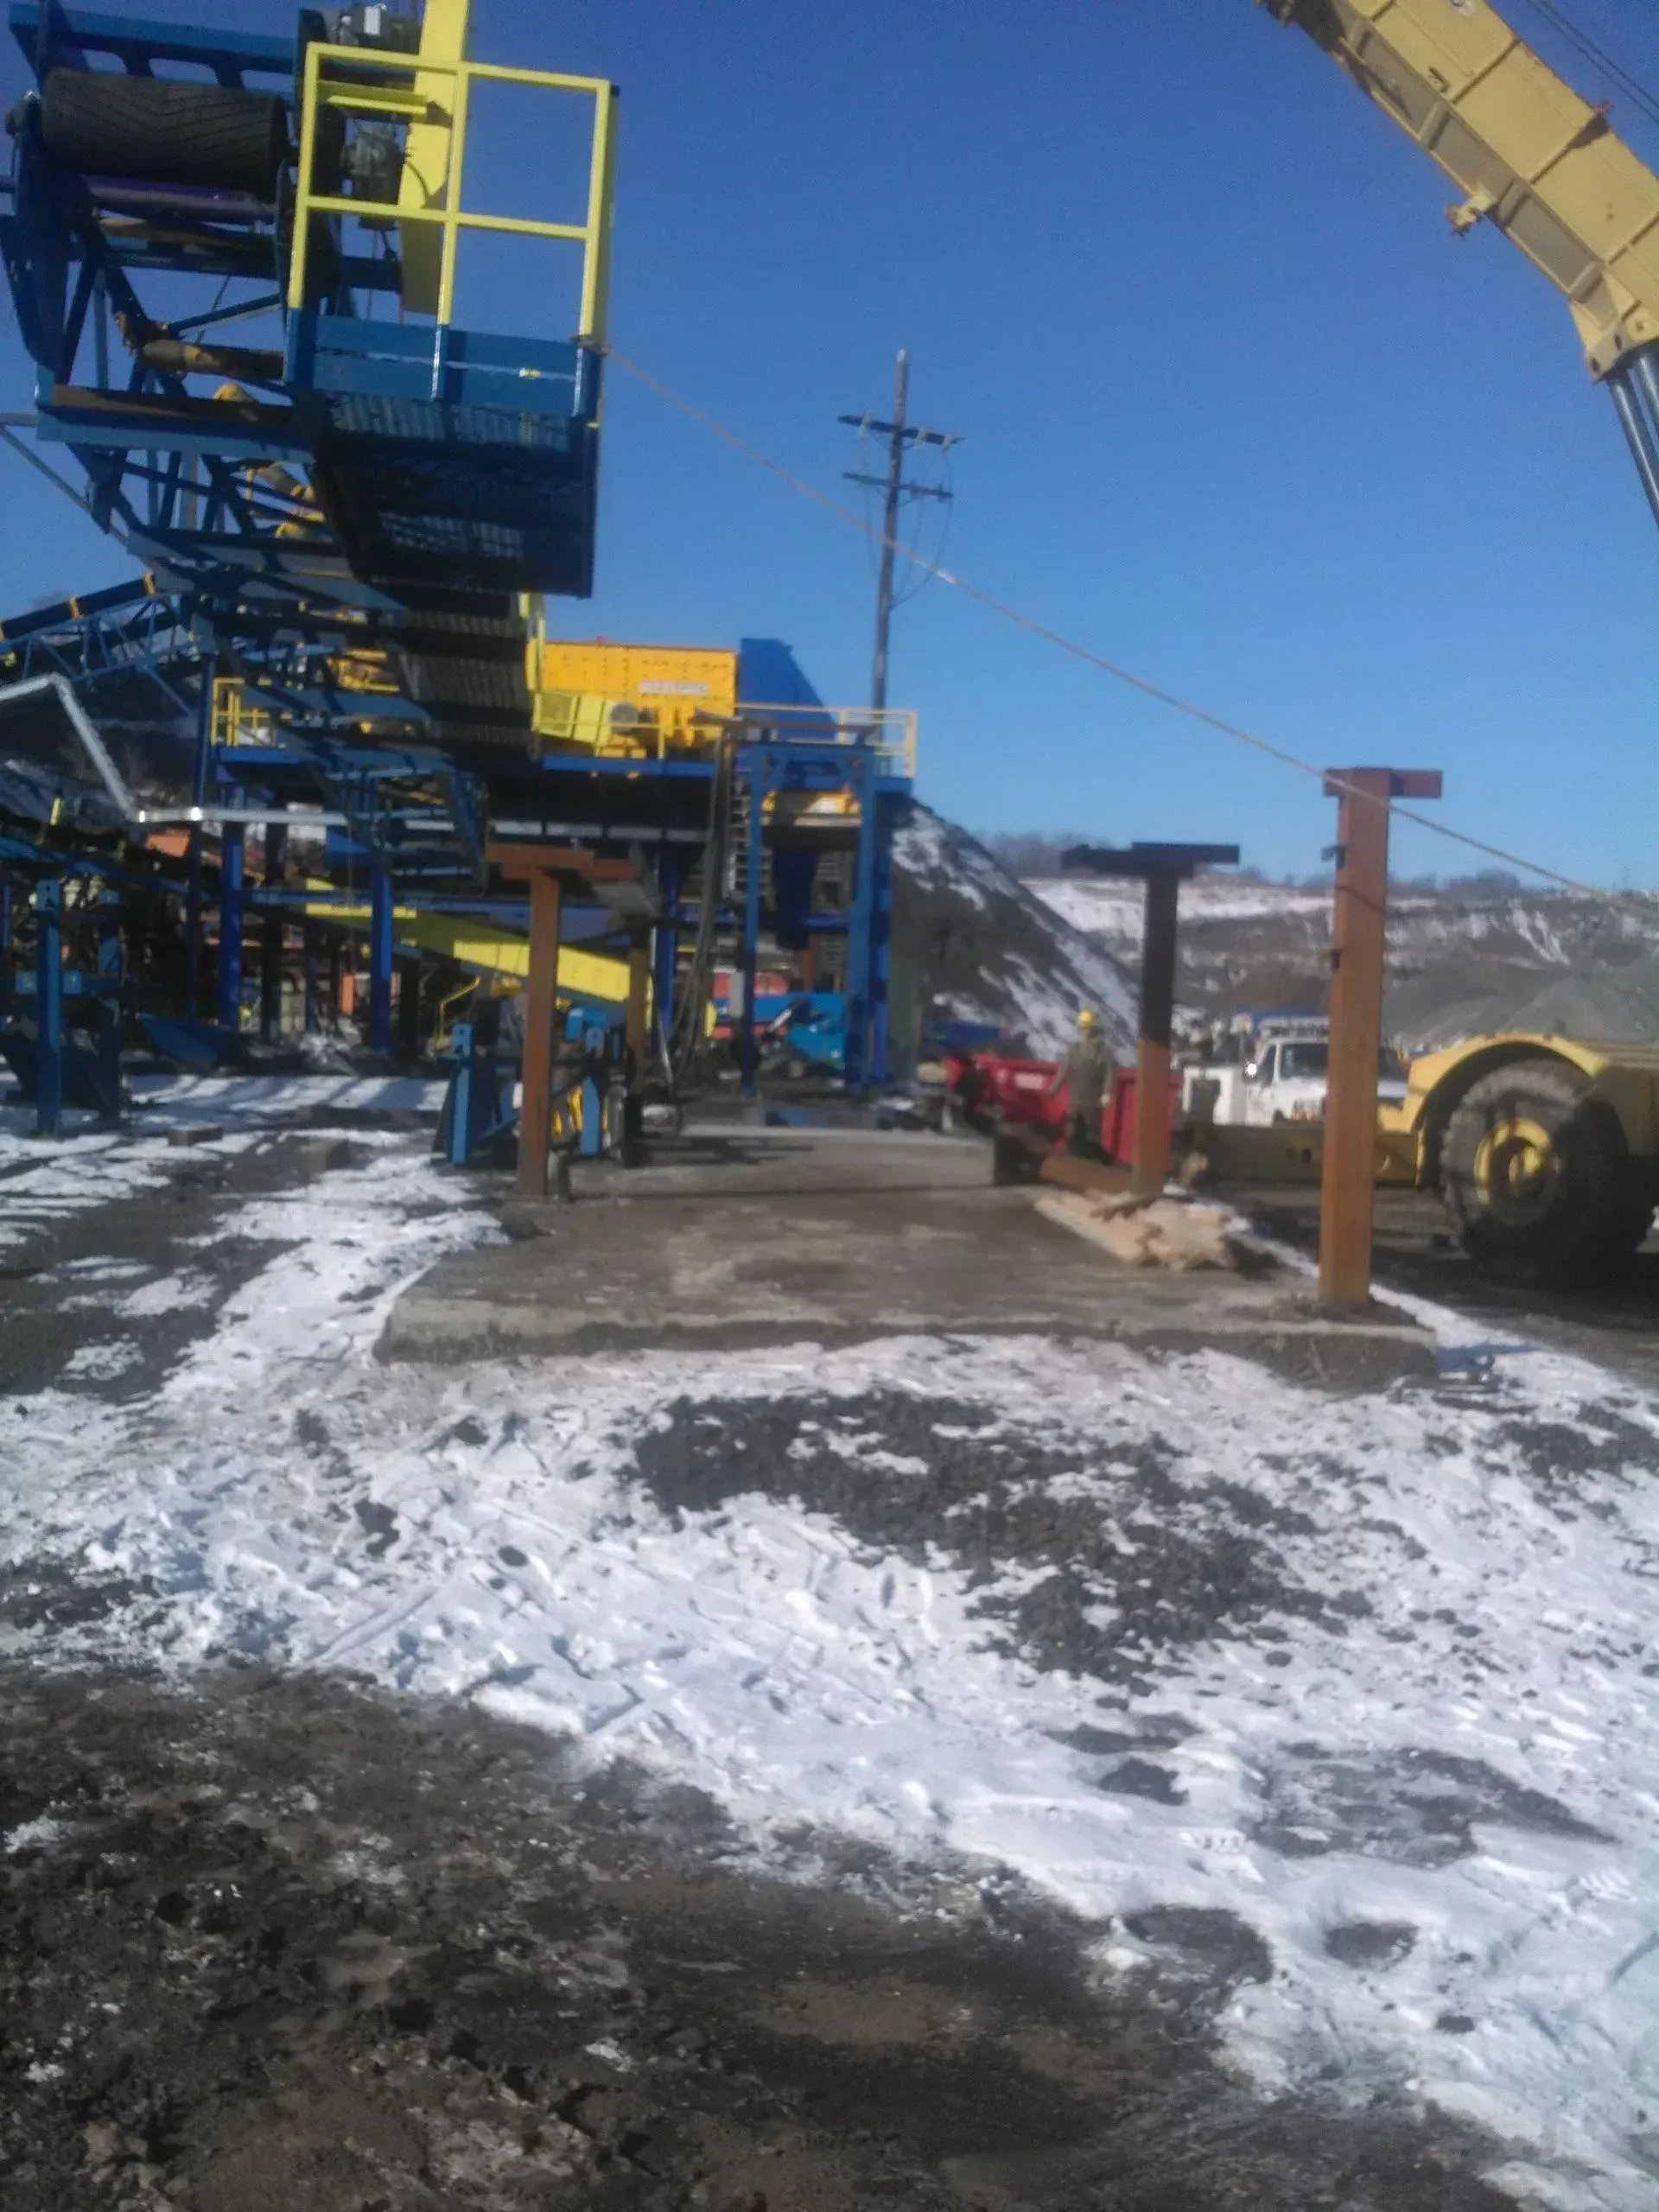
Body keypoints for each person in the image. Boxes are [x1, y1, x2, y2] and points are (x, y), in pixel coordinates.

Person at [1052, 1007, 1110, 1157]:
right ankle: (1073, 1161)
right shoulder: (1073, 1049)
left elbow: (1109, 1073)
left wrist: (1107, 1093)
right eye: (1082, 1028)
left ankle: (1089, 1163)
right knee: (1072, 1132)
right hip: (1075, 1100)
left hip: (1093, 1101)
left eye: (1086, 1028)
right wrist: (1053, 1088)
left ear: (1093, 1029)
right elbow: (1064, 1071)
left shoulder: (1103, 1051)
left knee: (1091, 1134)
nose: (1083, 1031)